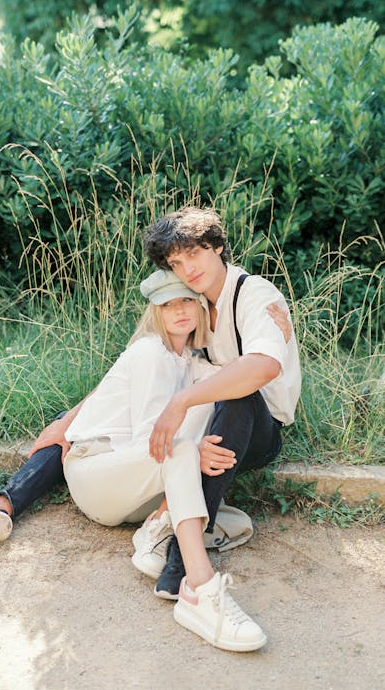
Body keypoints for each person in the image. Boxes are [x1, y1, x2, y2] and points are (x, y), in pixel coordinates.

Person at [0, 270, 268, 651]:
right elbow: (154, 440)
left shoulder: (193, 364)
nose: (180, 311)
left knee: (236, 520)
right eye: (168, 305)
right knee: (179, 448)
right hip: (98, 471)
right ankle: (200, 587)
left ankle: (157, 530)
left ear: (200, 308)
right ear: (156, 313)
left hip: (134, 489)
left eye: (187, 301)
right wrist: (195, 452)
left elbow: (234, 382)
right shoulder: (149, 353)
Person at [142, 206, 301, 602]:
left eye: (193, 253)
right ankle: (173, 527)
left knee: (239, 393)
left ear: (216, 247)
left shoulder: (255, 293)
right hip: (208, 428)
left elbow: (263, 366)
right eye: (176, 262)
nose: (187, 268)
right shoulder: (191, 303)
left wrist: (183, 401)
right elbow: (153, 360)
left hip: (258, 433)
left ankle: (181, 558)